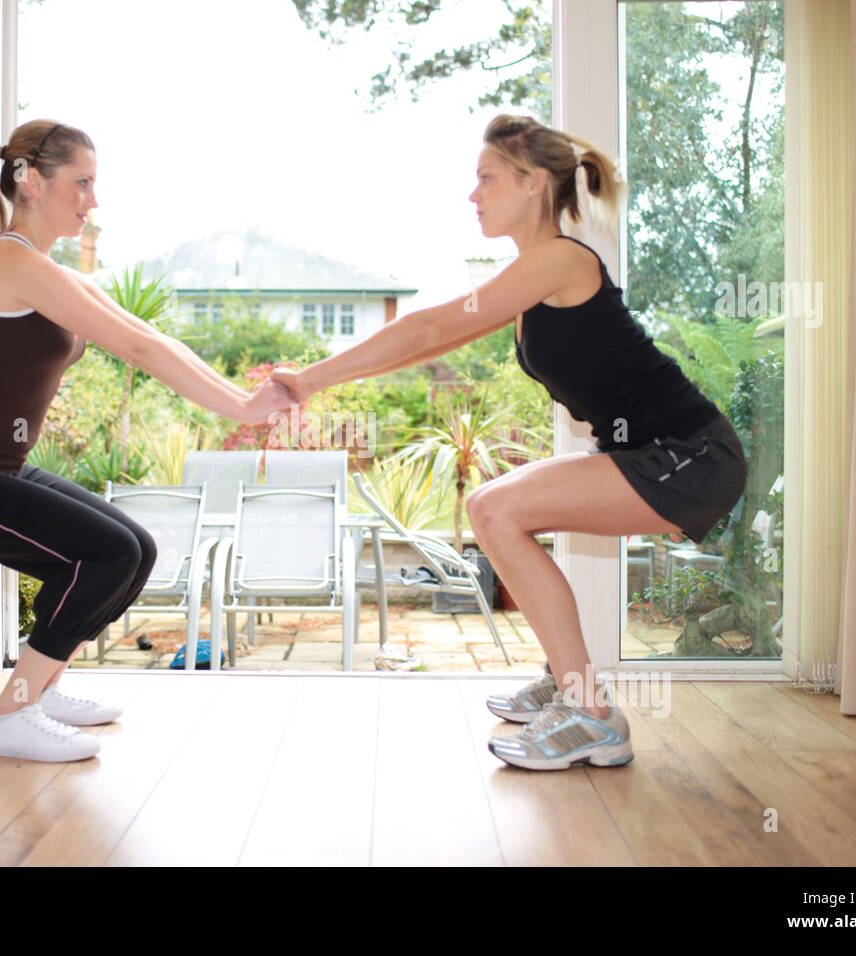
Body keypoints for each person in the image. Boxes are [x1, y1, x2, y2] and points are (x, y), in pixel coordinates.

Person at [270, 114, 747, 771]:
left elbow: (429, 328)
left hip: (691, 456)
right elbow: (433, 337)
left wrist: (308, 380)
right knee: (493, 505)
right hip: (653, 453)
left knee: (495, 510)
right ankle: (569, 682)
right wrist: (316, 380)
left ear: (533, 183)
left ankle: (592, 715)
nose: (474, 195)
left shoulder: (558, 260)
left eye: (486, 178)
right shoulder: (533, 275)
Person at [0, 120, 292, 763]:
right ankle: (9, 717)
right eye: (81, 182)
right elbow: (134, 347)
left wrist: (244, 398)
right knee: (104, 554)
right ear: (31, 180)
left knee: (134, 549)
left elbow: (146, 334)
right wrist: (241, 405)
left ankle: (41, 689)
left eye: (93, 184)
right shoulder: (11, 260)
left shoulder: (40, 267)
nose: (92, 200)